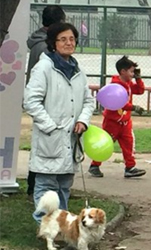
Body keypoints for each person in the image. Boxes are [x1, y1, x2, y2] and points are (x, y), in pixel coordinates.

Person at [24, 22, 95, 224]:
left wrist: (82, 121)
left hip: (71, 138)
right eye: (63, 39)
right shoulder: (44, 68)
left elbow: (88, 101)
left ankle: (61, 227)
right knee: (46, 185)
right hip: (51, 137)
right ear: (53, 43)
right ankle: (45, 225)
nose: (68, 43)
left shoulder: (77, 70)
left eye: (72, 39)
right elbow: (31, 101)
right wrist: (50, 126)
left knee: (64, 185)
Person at [25, 4, 66, 198]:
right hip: (46, 100)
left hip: (45, 98)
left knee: (45, 144)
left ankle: (39, 185)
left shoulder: (38, 42)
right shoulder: (45, 47)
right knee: (45, 146)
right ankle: (37, 186)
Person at [88, 56, 146, 178]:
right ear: (123, 71)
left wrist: (138, 79)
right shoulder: (115, 86)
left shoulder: (128, 84)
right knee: (105, 143)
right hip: (112, 122)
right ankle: (94, 165)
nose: (132, 74)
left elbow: (140, 91)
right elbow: (119, 103)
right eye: (131, 71)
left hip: (125, 122)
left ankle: (130, 167)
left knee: (128, 144)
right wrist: (134, 107)